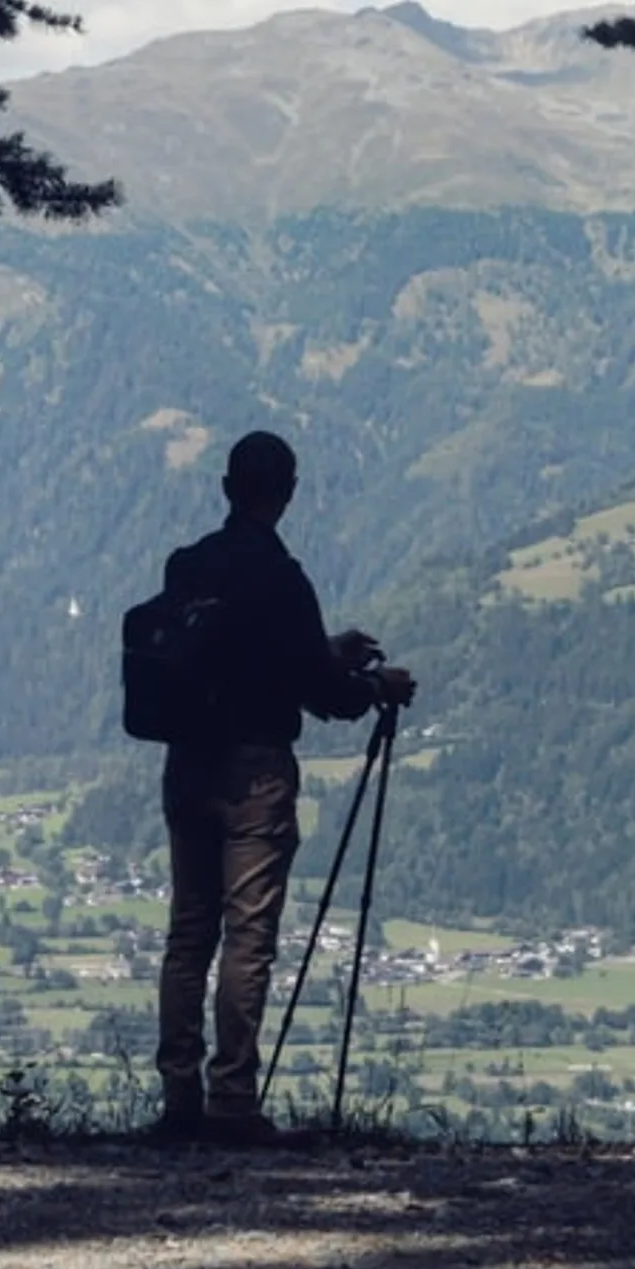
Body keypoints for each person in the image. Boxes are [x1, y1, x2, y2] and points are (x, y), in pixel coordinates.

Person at [147, 427, 415, 1145]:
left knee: (189, 934)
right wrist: (372, 683)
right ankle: (232, 1100)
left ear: (228, 487)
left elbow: (235, 658)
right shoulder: (282, 576)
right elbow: (317, 690)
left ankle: (178, 1099)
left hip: (187, 763)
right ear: (287, 492)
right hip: (255, 773)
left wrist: (323, 654)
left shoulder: (188, 566)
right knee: (248, 937)